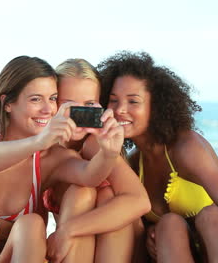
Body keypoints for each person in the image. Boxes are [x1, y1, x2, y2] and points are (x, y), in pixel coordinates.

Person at [0, 55, 125, 263]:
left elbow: (89, 176)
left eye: (53, 98)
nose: (47, 109)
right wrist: (39, 142)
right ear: (7, 103)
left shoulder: (51, 158)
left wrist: (109, 152)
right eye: (36, 99)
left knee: (32, 224)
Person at [97, 51, 218, 263]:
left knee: (211, 216)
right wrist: (152, 232)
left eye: (133, 101)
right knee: (168, 224)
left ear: (157, 105)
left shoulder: (186, 147)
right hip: (176, 251)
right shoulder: (133, 162)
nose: (120, 109)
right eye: (113, 101)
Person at [43, 58, 150, 263]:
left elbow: (139, 201)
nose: (80, 112)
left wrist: (67, 231)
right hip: (82, 250)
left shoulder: (94, 144)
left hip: (122, 245)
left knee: (85, 191)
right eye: (68, 104)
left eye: (89, 104)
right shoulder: (47, 146)